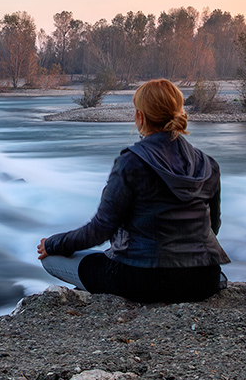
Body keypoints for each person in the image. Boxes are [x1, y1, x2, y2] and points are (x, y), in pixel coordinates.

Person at [37, 78, 228, 303]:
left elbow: (100, 229)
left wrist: (52, 244)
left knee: (51, 260)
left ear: (140, 117)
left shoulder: (132, 162)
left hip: (144, 279)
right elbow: (213, 227)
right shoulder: (207, 164)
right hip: (203, 279)